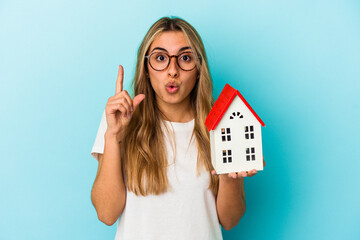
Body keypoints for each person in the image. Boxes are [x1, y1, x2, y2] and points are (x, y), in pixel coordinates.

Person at [90, 16, 265, 240]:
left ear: (199, 68)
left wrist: (230, 178)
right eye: (161, 58)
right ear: (146, 67)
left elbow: (230, 221)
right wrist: (113, 137)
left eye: (185, 58)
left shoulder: (222, 124)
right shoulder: (119, 119)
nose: (173, 70)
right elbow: (106, 213)